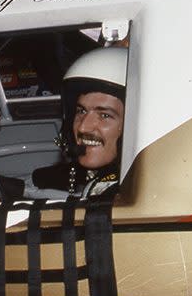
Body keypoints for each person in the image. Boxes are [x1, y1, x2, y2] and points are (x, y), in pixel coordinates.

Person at [29, 47, 127, 199]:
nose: (82, 127)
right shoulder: (79, 178)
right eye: (81, 111)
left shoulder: (130, 195)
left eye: (104, 115)